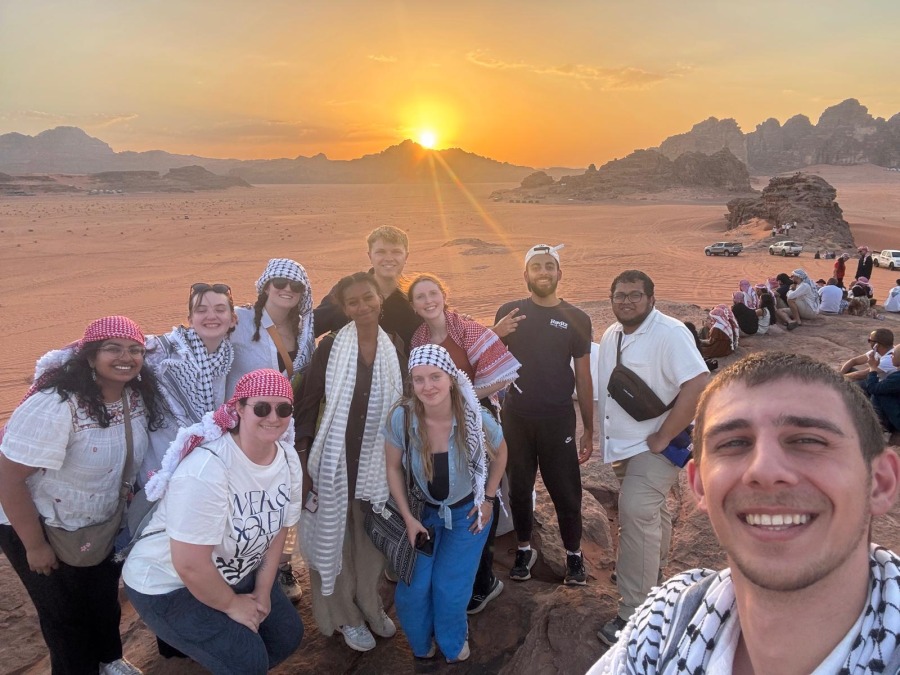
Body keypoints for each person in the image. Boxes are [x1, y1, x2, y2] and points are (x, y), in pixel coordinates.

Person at [588, 352, 900, 674]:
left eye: (808, 440)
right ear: (700, 487)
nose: (763, 469)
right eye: (734, 443)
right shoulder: (668, 618)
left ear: (880, 482)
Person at [0, 316, 164, 675]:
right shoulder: (57, 405)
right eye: (113, 349)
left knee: (102, 598)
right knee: (64, 617)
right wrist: (35, 546)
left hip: (99, 523)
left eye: (135, 350)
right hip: (38, 523)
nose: (126, 357)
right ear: (90, 357)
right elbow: (9, 479)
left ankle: (109, 660)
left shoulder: (136, 397)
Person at [123, 369, 304, 675]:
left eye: (283, 409)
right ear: (239, 409)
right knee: (246, 659)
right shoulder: (208, 468)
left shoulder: (286, 457)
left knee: (286, 637)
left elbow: (279, 530)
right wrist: (233, 606)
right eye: (261, 408)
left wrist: (263, 589)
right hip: (167, 583)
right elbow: (190, 564)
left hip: (233, 569)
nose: (273, 417)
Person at [595, 271, 709, 646]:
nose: (626, 301)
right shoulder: (613, 334)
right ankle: (652, 575)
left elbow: (697, 383)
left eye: (634, 295)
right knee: (651, 513)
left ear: (651, 298)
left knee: (637, 515)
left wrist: (662, 436)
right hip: (625, 447)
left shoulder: (670, 333)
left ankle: (635, 616)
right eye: (619, 295)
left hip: (655, 447)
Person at [294, 272, 405, 652]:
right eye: (353, 302)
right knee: (334, 543)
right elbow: (307, 406)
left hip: (377, 465)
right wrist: (305, 460)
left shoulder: (395, 345)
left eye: (368, 298)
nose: (362, 307)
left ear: (380, 299)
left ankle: (370, 605)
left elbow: (404, 408)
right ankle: (344, 616)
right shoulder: (329, 349)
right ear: (343, 309)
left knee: (370, 544)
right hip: (332, 465)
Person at [384, 344, 507, 663]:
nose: (428, 386)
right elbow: (392, 467)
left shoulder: (472, 416)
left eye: (435, 376)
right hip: (421, 513)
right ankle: (421, 645)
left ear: (451, 377)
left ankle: (452, 644)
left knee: (449, 589)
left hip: (467, 514)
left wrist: (489, 498)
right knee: (413, 588)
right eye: (419, 379)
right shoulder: (403, 416)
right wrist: (409, 518)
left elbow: (502, 451)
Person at [407, 273, 521, 613]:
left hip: (477, 421)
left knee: (484, 490)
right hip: (439, 424)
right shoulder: (418, 338)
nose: (428, 301)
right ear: (413, 305)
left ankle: (484, 580)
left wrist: (460, 396)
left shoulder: (467, 329)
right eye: (420, 297)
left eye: (432, 293)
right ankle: (466, 574)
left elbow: (504, 375)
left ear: (443, 295)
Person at [495, 244, 594, 586]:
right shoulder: (510, 312)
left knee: (566, 491)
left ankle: (574, 555)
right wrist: (496, 333)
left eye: (549, 266)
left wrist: (588, 429)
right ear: (526, 274)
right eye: (536, 266)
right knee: (519, 489)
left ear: (559, 273)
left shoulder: (577, 319)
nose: (543, 272)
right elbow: (486, 360)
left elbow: (583, 377)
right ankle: (524, 548)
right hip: (516, 417)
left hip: (557, 418)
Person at [227, 257, 314, 599]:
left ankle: (282, 567)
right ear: (265, 285)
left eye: (296, 286)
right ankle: (240, 569)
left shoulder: (305, 328)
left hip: (286, 431)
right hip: (243, 430)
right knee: (244, 502)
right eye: (280, 283)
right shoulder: (240, 320)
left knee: (285, 501)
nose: (287, 290)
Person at [141, 282, 237, 486]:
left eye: (220, 310)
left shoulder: (224, 356)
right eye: (201, 310)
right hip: (159, 467)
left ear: (232, 319)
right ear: (190, 320)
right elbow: (125, 344)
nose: (211, 316)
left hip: (197, 468)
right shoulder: (165, 350)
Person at [314, 226, 423, 352]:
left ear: (406, 257)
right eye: (381, 252)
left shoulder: (413, 297)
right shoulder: (348, 290)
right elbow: (310, 328)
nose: (388, 258)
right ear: (370, 256)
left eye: (396, 252)